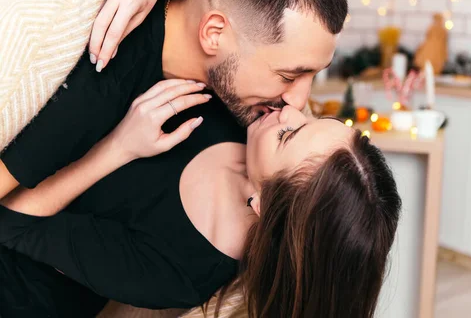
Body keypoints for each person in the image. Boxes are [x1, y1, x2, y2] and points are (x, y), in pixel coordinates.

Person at [0, 79, 401, 317]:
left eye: (288, 135)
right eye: (313, 120)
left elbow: (11, 219)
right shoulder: (253, 118)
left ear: (263, 205)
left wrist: (120, 146)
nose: (291, 109)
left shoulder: (177, 271)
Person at [0, 0, 347, 199]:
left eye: (312, 75)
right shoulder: (93, 79)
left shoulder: (252, 105)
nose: (299, 102)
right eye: (289, 75)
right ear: (213, 33)